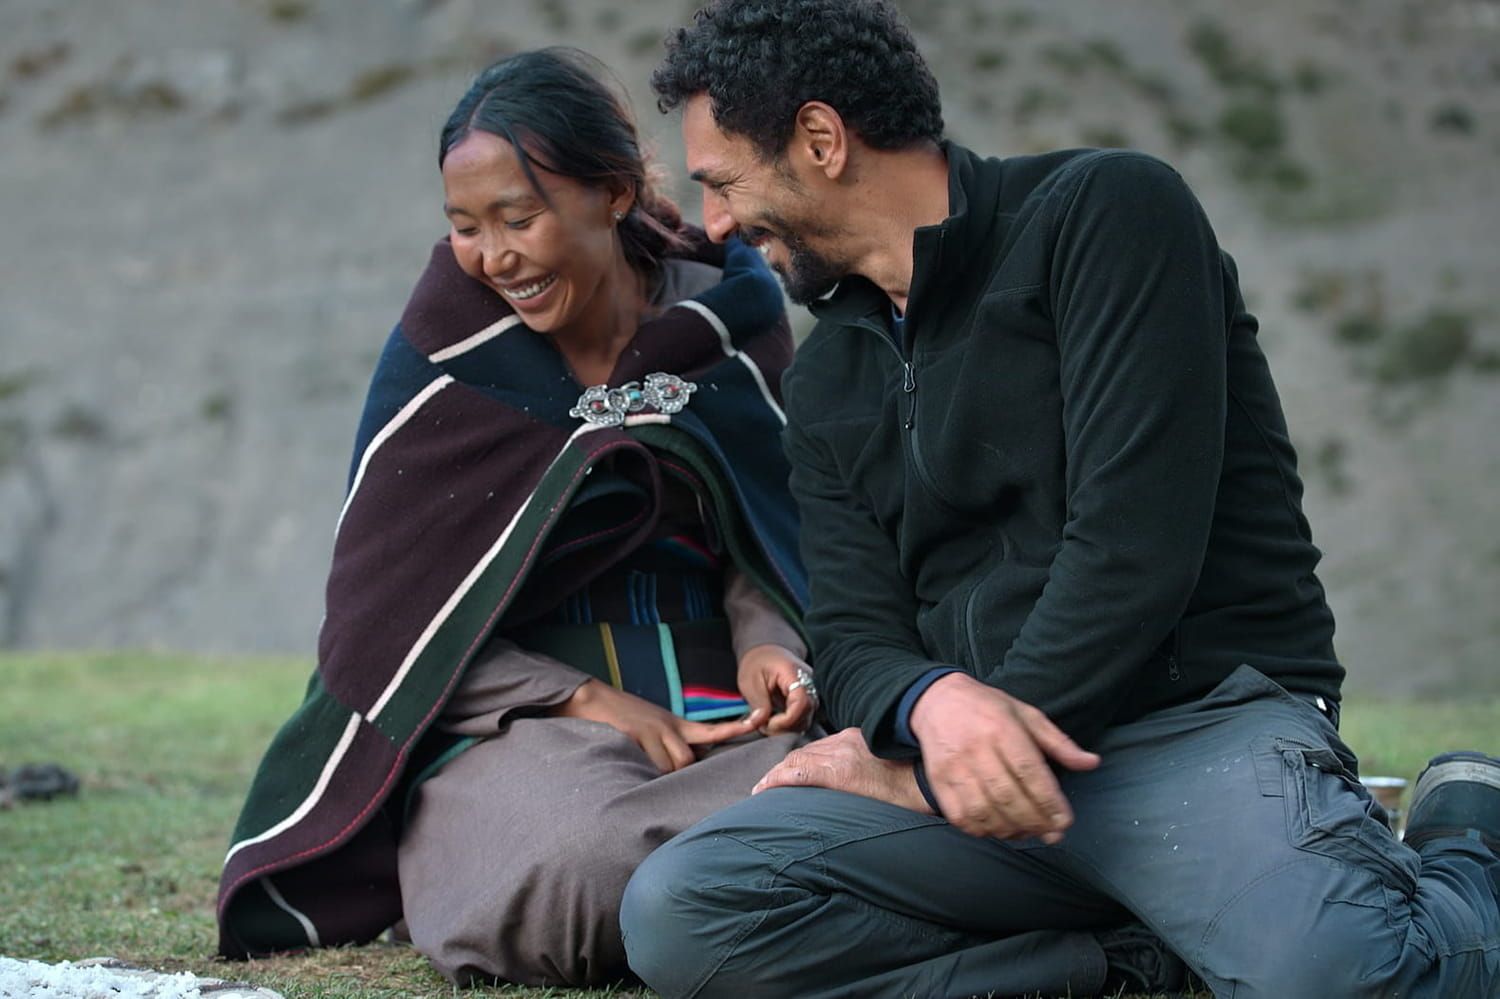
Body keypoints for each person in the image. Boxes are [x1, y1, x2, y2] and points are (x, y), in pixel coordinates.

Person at [619, 3, 1500, 997]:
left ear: (821, 140)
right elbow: (855, 633)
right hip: (977, 785)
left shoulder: (1108, 215)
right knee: (685, 910)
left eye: (723, 182)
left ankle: (1468, 840)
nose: (720, 223)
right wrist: (928, 700)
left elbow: (1131, 554)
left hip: (1193, 730)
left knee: (1334, 977)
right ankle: (1139, 963)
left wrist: (933, 771)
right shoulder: (829, 378)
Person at [216, 48, 822, 988]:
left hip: (720, 714)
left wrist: (768, 642)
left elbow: (773, 529)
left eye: (518, 218)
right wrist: (579, 699)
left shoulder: (729, 321)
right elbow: (386, 625)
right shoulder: (445, 354)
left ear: (614, 193)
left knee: (858, 780)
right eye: (464, 226)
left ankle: (761, 863)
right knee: (574, 865)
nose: (492, 256)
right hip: (517, 721)